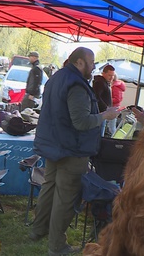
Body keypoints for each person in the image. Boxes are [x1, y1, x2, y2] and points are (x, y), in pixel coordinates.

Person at [30, 47, 119, 255]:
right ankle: (56, 245)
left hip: (55, 145)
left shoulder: (58, 77)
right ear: (80, 63)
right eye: (92, 62)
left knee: (49, 188)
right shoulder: (76, 85)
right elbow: (80, 122)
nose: (94, 66)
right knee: (65, 196)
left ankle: (38, 230)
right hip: (71, 149)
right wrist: (105, 116)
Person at [92, 64, 115, 136]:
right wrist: (106, 108)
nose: (111, 78)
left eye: (113, 75)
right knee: (99, 134)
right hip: (100, 113)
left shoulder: (104, 83)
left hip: (103, 113)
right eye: (109, 75)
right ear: (103, 73)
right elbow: (97, 97)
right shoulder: (100, 83)